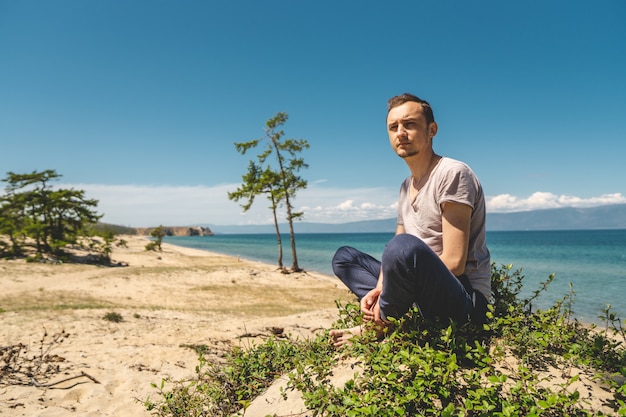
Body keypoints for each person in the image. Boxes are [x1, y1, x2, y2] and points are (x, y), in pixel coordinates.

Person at [330, 93, 491, 347]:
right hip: (420, 288)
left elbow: (455, 263)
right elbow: (394, 249)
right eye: (393, 127)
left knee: (402, 247)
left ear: (432, 129)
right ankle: (394, 308)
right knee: (345, 258)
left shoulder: (452, 173)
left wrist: (387, 301)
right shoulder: (406, 186)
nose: (400, 133)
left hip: (464, 298)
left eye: (410, 124)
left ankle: (381, 324)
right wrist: (381, 288)